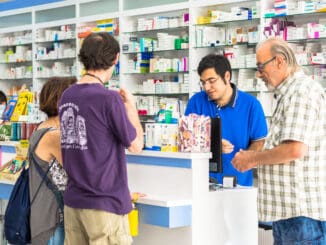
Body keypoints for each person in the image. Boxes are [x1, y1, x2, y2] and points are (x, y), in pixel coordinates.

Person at [232, 37, 326, 244]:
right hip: (289, 213)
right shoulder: (288, 94)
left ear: (280, 61)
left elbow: (294, 150)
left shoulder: (301, 93)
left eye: (261, 66)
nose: (258, 74)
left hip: (301, 215)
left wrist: (253, 159)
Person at [58, 32, 144, 245]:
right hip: (104, 204)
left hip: (73, 202)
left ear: (83, 57)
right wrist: (131, 108)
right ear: (115, 58)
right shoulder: (109, 99)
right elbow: (136, 146)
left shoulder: (67, 96)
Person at [185, 54, 268, 186]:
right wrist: (213, 145)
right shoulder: (196, 102)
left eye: (212, 81)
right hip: (202, 182)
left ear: (227, 76)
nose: (207, 87)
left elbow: (259, 141)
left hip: (238, 183)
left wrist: (245, 157)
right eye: (203, 82)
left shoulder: (251, 105)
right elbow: (187, 140)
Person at [29, 76, 77, 245]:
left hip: (46, 214)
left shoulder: (42, 127)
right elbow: (78, 172)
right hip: (53, 218)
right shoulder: (54, 135)